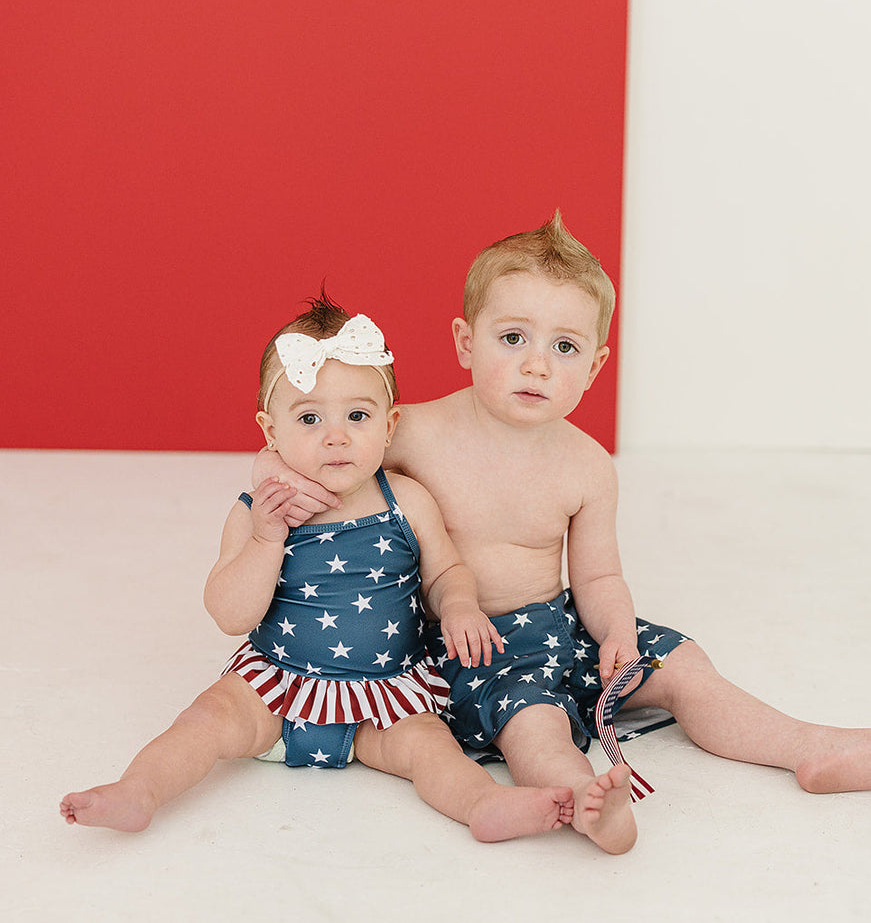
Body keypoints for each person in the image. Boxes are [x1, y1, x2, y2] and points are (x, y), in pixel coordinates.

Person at [254, 215, 871, 854]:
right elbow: (324, 454)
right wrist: (276, 486)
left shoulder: (585, 465)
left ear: (595, 365)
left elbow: (598, 577)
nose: (536, 365)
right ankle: (584, 796)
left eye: (564, 347)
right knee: (537, 722)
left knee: (686, 670)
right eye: (512, 338)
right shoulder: (413, 432)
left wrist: (614, 632)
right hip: (472, 647)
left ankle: (807, 747)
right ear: (466, 341)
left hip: (563, 625)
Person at [61, 296, 573, 841]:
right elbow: (229, 614)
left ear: (390, 423)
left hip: (384, 693)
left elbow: (446, 571)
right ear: (269, 430)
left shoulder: (406, 499)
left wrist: (460, 606)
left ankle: (482, 805)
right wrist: (265, 539)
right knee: (202, 724)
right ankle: (138, 791)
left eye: (358, 416)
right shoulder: (257, 511)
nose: (336, 436)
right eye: (309, 418)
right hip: (272, 688)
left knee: (431, 748)